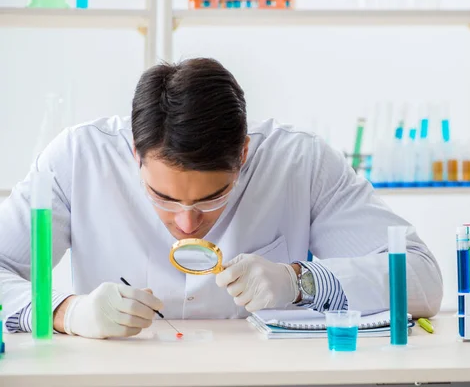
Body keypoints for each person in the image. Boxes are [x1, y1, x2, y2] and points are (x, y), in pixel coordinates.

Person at [0, 58, 443, 339]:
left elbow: (422, 279)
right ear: (135, 153)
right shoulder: (77, 157)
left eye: (214, 198)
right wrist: (65, 312)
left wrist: (301, 281)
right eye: (163, 197)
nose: (188, 224)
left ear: (244, 153)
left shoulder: (300, 162)